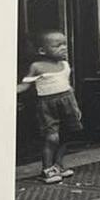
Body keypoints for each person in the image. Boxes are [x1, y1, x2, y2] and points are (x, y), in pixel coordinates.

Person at [18, 30, 80, 184]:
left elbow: (68, 86)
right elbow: (25, 86)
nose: (63, 48)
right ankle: (46, 169)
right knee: (51, 137)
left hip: (67, 103)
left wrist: (75, 107)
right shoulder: (37, 66)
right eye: (57, 45)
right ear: (42, 50)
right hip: (47, 105)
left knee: (67, 135)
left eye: (64, 44)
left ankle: (58, 165)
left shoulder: (64, 64)